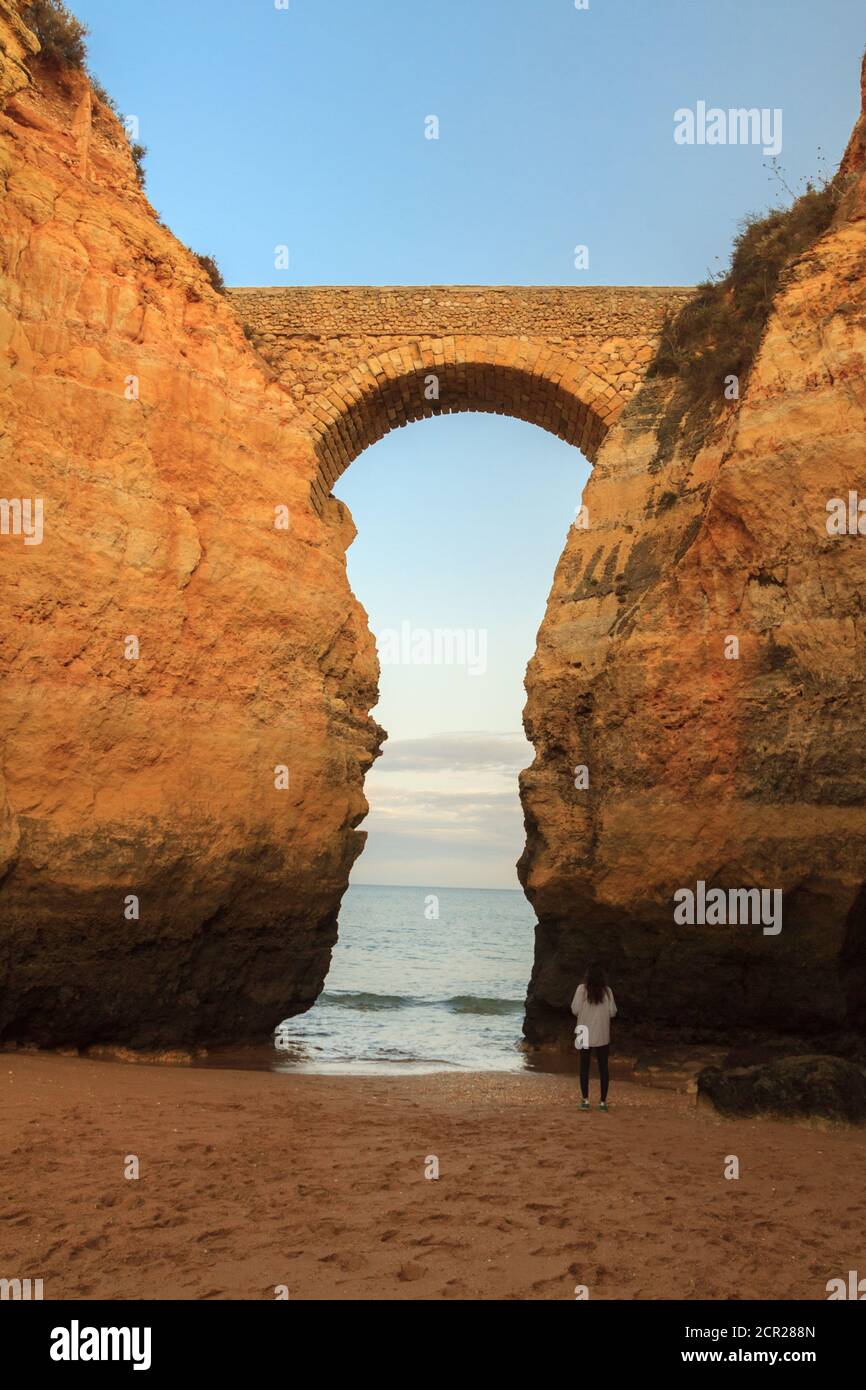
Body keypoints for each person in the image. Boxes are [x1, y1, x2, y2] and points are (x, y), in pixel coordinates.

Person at [571, 963, 617, 1111]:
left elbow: (575, 1009)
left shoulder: (581, 990)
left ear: (587, 976)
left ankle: (585, 1100)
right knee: (603, 1068)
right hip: (602, 1032)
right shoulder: (607, 991)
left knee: (584, 1067)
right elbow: (612, 1012)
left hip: (584, 1030)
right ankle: (603, 1102)